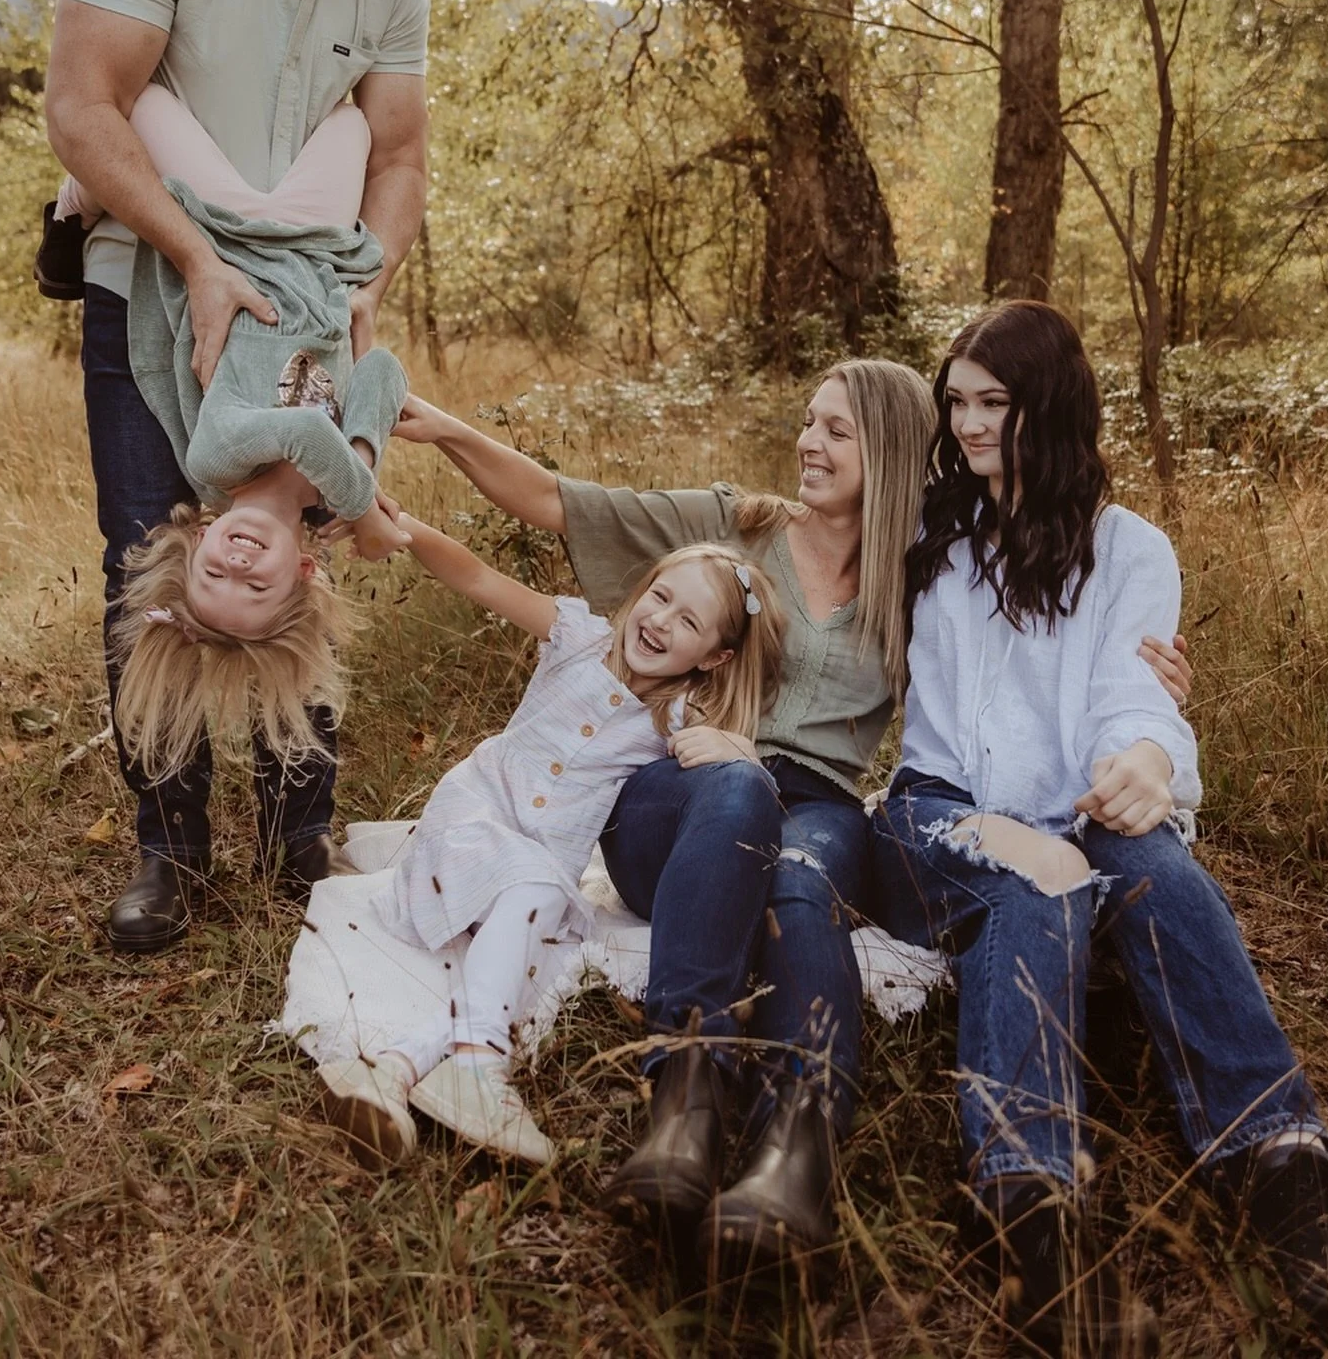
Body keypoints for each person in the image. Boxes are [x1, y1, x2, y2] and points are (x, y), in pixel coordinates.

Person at [391, 367, 1195, 1272]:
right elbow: (558, 503)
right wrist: (444, 429)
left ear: (888, 452)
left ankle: (795, 1154)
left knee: (804, 877)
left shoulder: (923, 569)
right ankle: (685, 1108)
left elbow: (1036, 637)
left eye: (837, 432)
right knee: (739, 788)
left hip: (819, 803)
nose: (809, 443)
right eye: (810, 423)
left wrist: (1144, 680)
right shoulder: (739, 524)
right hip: (682, 794)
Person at [870, 300, 1328, 1355]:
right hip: (936, 815)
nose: (969, 424)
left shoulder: (1131, 549)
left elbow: (1135, 700)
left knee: (1159, 869)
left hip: (1075, 812)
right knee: (1041, 873)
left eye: (995, 403)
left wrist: (1147, 761)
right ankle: (1031, 1216)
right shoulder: (930, 535)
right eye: (957, 402)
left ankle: (1284, 1169)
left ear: (1051, 404)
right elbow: (813, 522)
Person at [42, 0, 439, 952]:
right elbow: (83, 109)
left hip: (304, 312)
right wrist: (199, 259)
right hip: (148, 284)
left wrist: (367, 286)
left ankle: (297, 834)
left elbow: (399, 156)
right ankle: (168, 850)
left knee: (291, 551)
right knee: (145, 560)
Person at [318, 521, 783, 1169]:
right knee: (531, 895)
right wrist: (405, 529)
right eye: (660, 596)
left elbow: (729, 785)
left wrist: (740, 749)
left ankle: (393, 1069)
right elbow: (479, 577)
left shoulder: (677, 716)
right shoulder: (577, 637)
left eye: (689, 622)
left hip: (538, 869)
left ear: (715, 658)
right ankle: (480, 1067)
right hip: (476, 818)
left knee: (518, 955)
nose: (660, 621)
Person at [93, 84, 411, 783]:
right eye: (255, 587)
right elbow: (384, 371)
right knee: (352, 120)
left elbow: (303, 432)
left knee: (139, 103)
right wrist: (363, 454)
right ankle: (83, 195)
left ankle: (77, 204)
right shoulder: (329, 493)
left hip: (229, 230)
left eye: (214, 574)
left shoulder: (217, 463)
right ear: (303, 572)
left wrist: (365, 510)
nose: (237, 564)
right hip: (319, 246)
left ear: (201, 540)